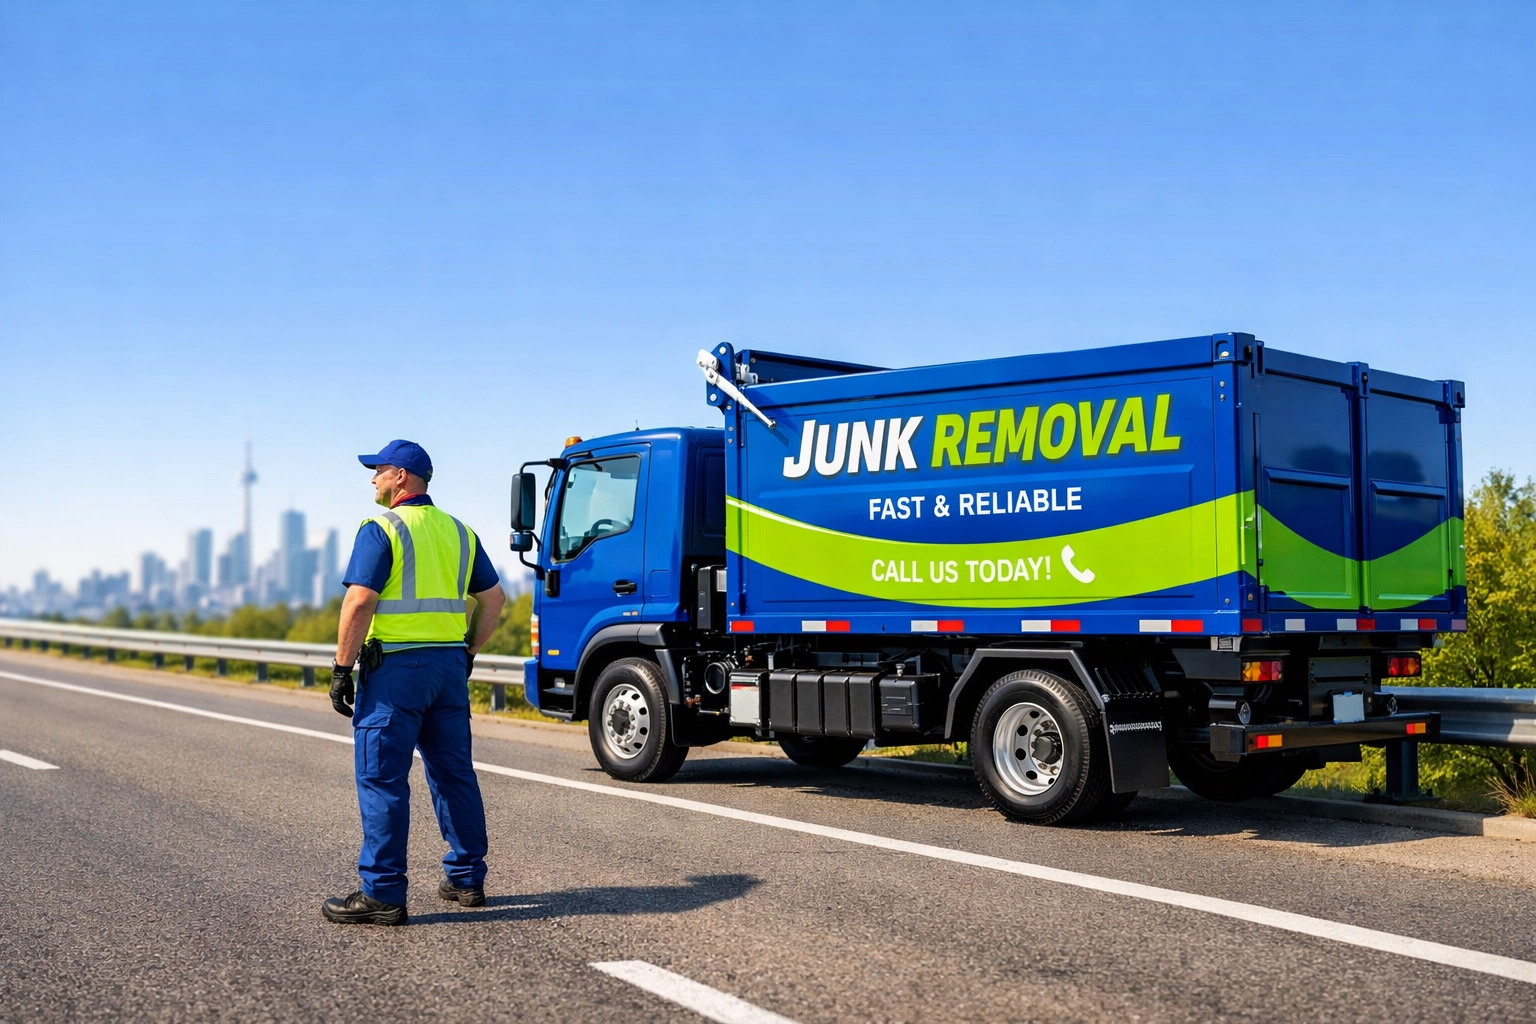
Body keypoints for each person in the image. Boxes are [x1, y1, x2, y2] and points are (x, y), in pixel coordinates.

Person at [321, 439, 507, 926]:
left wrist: (341, 668)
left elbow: (359, 602)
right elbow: (494, 600)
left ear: (401, 476)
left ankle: (382, 894)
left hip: (395, 673)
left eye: (379, 469)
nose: (372, 478)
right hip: (447, 671)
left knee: (382, 779)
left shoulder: (382, 528)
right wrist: (468, 651)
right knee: (454, 774)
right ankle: (466, 879)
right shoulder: (460, 532)